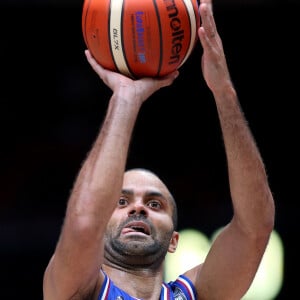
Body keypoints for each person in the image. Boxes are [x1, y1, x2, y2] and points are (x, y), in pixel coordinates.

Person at [43, 0, 275, 299]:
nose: (138, 208)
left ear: (174, 241)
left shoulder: (195, 294)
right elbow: (84, 222)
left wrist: (224, 91)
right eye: (121, 201)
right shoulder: (75, 289)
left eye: (155, 205)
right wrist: (125, 99)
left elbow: (255, 226)